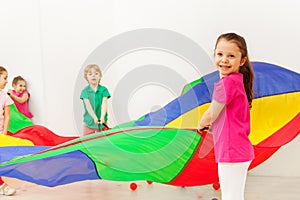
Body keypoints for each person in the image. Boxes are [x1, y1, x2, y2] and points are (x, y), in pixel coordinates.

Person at [198, 33, 255, 200]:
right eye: (220, 54)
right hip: (236, 151)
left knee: (232, 197)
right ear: (214, 55)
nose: (224, 60)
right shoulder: (236, 81)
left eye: (231, 56)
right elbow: (225, 118)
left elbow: (211, 113)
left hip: (232, 152)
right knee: (233, 196)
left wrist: (202, 123)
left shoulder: (227, 84)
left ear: (242, 60)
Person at [80, 64, 111, 136]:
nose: (93, 76)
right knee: (86, 142)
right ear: (86, 77)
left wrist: (102, 117)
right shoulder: (85, 91)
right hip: (89, 122)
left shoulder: (103, 90)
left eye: (96, 74)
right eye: (90, 74)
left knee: (102, 142)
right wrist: (94, 117)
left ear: (100, 76)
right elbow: (88, 106)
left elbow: (104, 104)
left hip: (102, 122)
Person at [0, 66, 16, 196]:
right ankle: (2, 185)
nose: (6, 81)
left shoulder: (4, 97)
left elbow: (7, 116)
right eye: (4, 78)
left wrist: (4, 133)